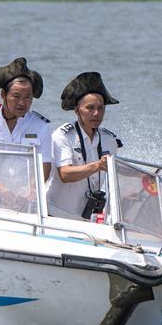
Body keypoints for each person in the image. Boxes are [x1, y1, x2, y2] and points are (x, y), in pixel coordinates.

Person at [0, 57, 52, 207]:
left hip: (29, 202)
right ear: (3, 95)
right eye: (16, 96)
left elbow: (44, 166)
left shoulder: (41, 126)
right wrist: (3, 190)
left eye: (27, 97)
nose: (22, 103)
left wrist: (30, 192)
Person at [46, 72, 122, 220]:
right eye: (90, 108)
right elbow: (65, 174)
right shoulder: (63, 136)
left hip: (88, 219)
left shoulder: (109, 140)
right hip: (55, 215)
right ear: (76, 110)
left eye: (101, 108)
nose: (96, 113)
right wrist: (98, 165)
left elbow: (116, 176)